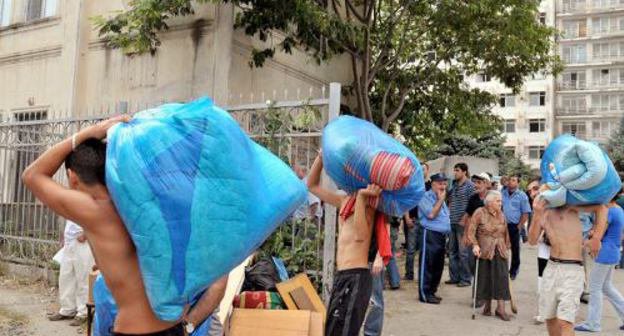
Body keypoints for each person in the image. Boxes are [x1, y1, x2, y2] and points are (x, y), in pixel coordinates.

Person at [22, 116, 195, 335]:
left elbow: (32, 175)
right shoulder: (143, 203)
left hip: (137, 329)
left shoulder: (97, 210)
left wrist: (89, 132)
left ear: (71, 176)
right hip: (173, 325)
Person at [307, 152, 387, 336]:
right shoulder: (343, 201)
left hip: (356, 277)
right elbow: (312, 186)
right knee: (333, 330)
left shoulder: (369, 206)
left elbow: (360, 235)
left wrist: (361, 197)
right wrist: (320, 158)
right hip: (343, 276)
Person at [529, 190, 607, 336]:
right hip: (551, 268)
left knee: (565, 321)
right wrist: (537, 214)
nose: (539, 193)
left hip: (572, 269)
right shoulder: (543, 213)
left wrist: (596, 237)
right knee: (550, 318)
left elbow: (601, 208)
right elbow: (532, 240)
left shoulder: (570, 206)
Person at [575, 192, 624, 333]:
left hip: (605, 253)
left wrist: (584, 243)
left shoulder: (608, 211)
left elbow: (598, 236)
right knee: (607, 287)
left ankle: (593, 323)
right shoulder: (619, 210)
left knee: (595, 288)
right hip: (614, 251)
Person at [468, 190, 512, 321]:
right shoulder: (479, 212)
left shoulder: (501, 214)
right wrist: (475, 245)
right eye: (498, 201)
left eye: (500, 201)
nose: (500, 203)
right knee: (486, 277)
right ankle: (487, 307)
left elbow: (505, 232)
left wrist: (507, 246)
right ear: (489, 202)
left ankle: (500, 308)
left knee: (501, 278)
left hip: (500, 249)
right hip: (485, 250)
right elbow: (471, 231)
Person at [48, 220, 95, 326]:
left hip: (84, 240)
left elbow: (98, 215)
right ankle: (67, 309)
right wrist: (65, 236)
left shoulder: (91, 202)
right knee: (66, 277)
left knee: (83, 278)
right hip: (70, 240)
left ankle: (83, 313)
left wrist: (86, 234)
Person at [418, 173, 450, 304]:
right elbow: (431, 215)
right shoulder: (426, 197)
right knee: (428, 264)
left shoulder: (440, 197)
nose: (443, 186)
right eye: (440, 183)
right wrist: (441, 199)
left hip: (441, 236)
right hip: (430, 234)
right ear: (433, 184)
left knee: (438, 265)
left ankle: (432, 291)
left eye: (444, 183)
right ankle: (424, 294)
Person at [446, 163, 475, 288]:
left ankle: (465, 278)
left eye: (457, 170)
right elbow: (450, 200)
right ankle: (454, 277)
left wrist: (464, 219)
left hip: (463, 224)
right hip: (452, 221)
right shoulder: (455, 185)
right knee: (452, 251)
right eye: (454, 170)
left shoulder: (470, 186)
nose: (455, 173)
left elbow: (472, 204)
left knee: (464, 253)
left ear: (464, 172)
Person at [403, 162, 430, 280]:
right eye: (419, 169)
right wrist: (407, 217)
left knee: (424, 251)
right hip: (413, 220)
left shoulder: (430, 186)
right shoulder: (411, 185)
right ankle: (409, 274)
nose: (421, 171)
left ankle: (422, 275)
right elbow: (406, 202)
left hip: (425, 222)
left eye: (423, 169)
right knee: (410, 250)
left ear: (427, 171)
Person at [502, 175, 531, 280]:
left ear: (518, 183)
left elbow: (526, 213)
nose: (510, 182)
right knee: (501, 247)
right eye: (510, 180)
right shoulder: (503, 193)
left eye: (513, 180)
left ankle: (513, 271)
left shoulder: (522, 196)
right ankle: (502, 269)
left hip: (515, 226)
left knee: (515, 249)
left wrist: (519, 226)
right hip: (502, 225)